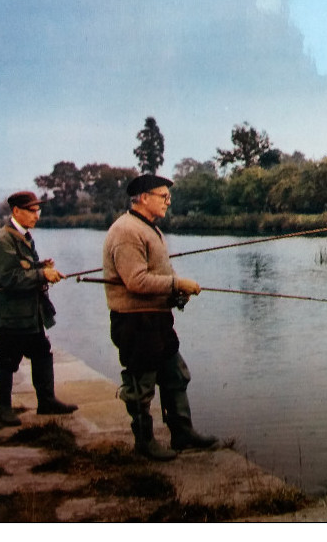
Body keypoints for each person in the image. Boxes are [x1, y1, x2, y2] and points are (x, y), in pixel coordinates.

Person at [102, 174, 218, 461]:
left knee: (176, 375)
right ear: (143, 197)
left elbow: (161, 272)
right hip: (136, 323)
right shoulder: (127, 231)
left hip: (157, 320)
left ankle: (182, 434)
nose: (169, 201)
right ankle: (144, 442)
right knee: (141, 386)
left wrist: (177, 290)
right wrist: (177, 285)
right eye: (163, 196)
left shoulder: (149, 228)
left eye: (168, 196)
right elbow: (136, 281)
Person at [0, 191, 79, 426]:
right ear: (16, 212)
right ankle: (4, 409)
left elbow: (23, 268)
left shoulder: (23, 236)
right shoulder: (3, 240)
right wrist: (42, 274)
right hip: (10, 317)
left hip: (28, 314)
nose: (37, 215)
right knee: (8, 359)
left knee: (42, 350)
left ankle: (46, 402)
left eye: (38, 210)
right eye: (32, 211)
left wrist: (40, 266)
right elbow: (9, 278)